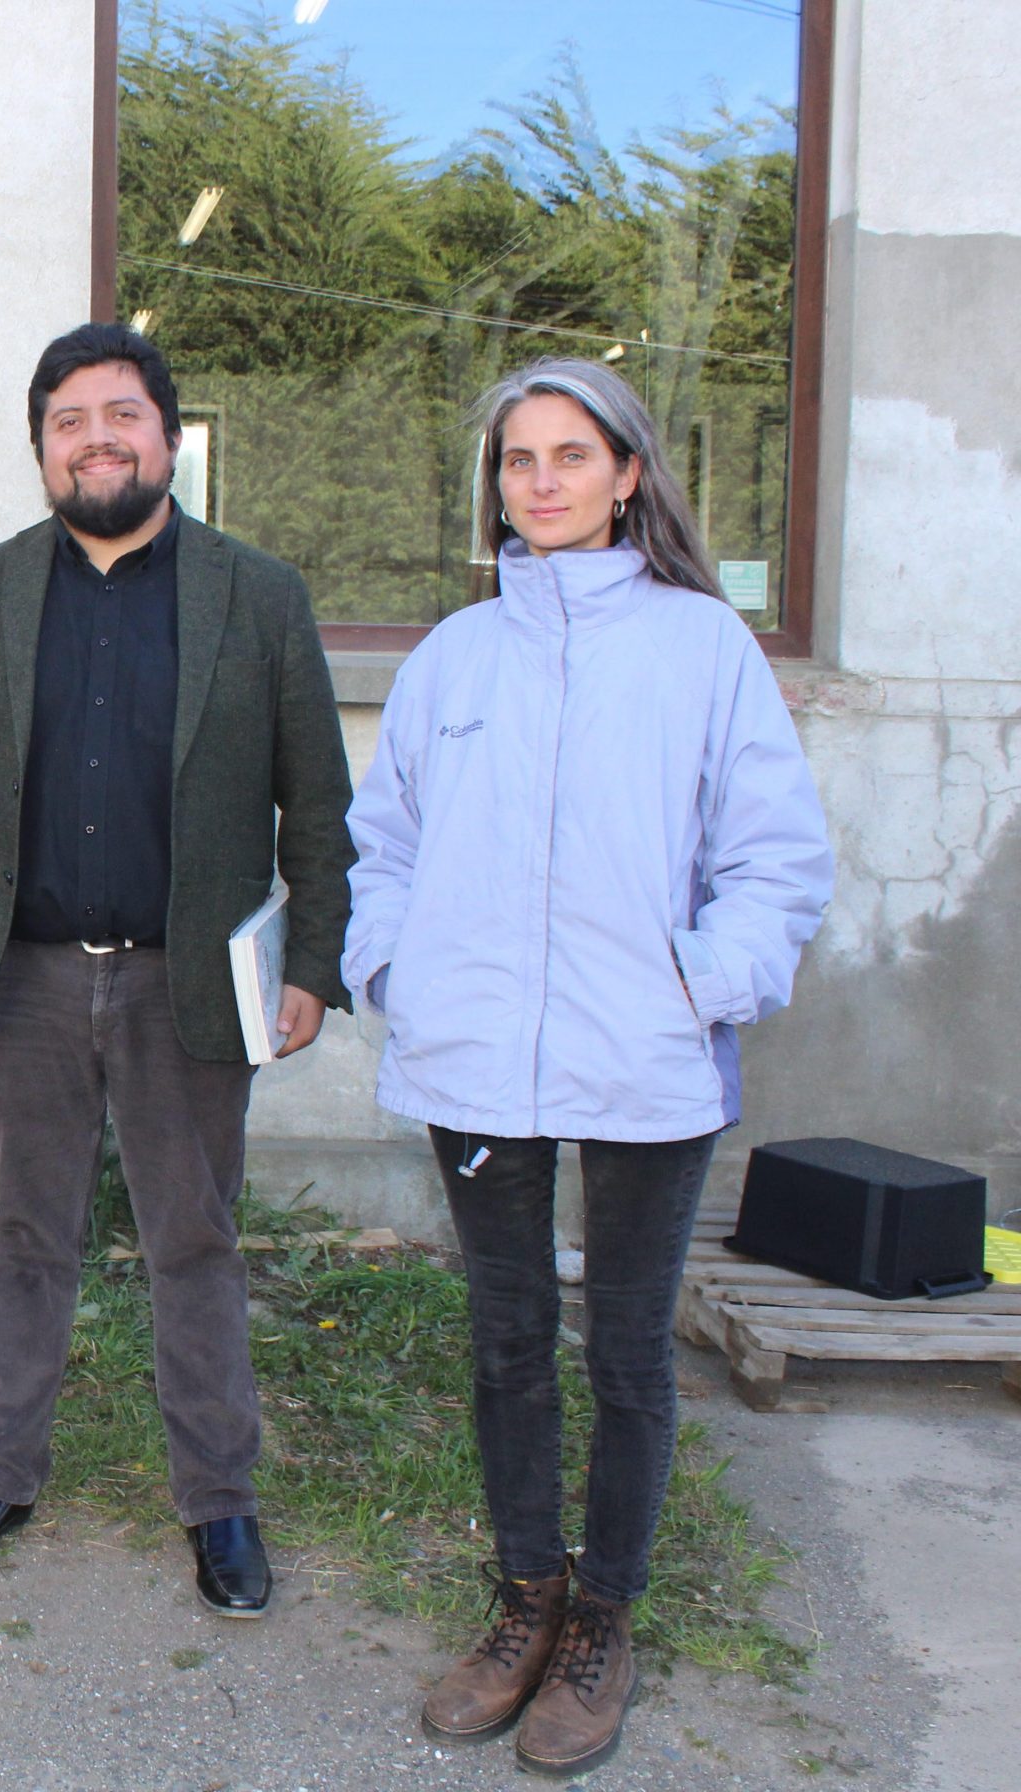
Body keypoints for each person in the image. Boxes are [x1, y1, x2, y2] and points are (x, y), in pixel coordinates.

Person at [345, 358, 831, 1775]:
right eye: (517, 460)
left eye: (571, 455)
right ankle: (524, 1604)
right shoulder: (456, 656)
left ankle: (604, 1620)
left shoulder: (700, 649)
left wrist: (702, 983)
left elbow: (776, 856)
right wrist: (395, 972)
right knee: (506, 1343)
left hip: (648, 1061)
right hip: (477, 1059)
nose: (541, 481)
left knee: (625, 1353)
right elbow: (391, 847)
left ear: (629, 474)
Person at [0, 322, 354, 1613]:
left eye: (121, 414)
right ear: (41, 449)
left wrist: (316, 955)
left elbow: (317, 800)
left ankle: (220, 1502)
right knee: (28, 1233)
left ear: (167, 433)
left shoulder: (256, 596)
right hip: (22, 977)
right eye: (69, 420)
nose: (98, 437)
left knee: (193, 1239)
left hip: (186, 983)